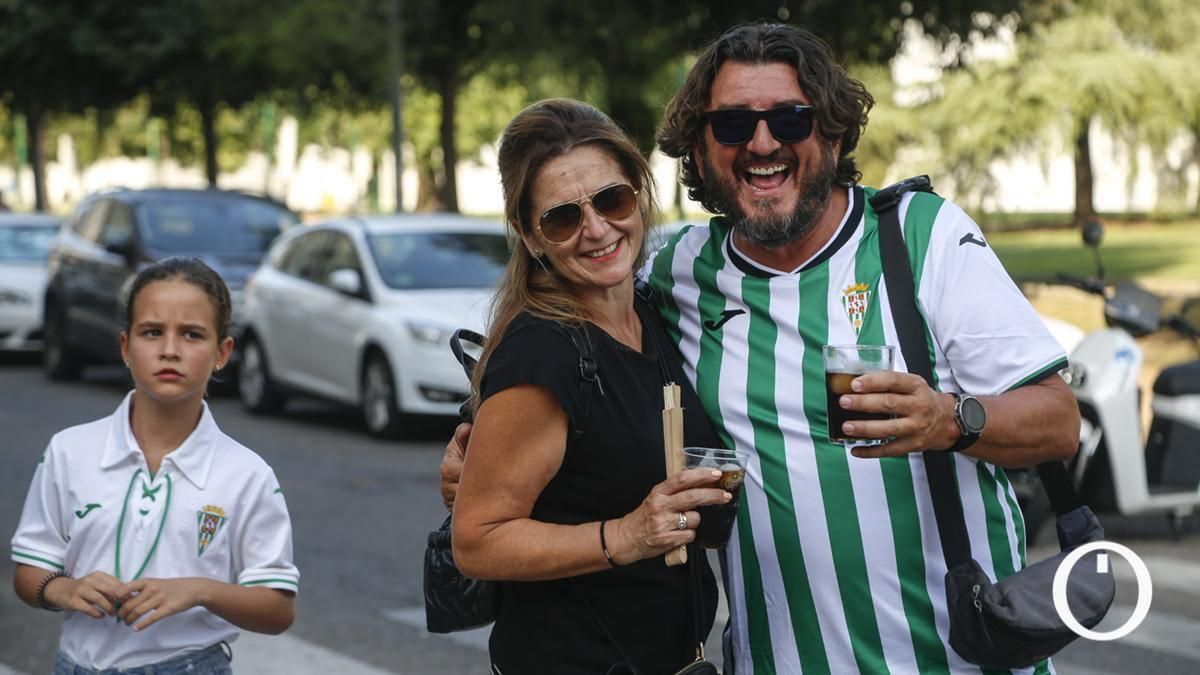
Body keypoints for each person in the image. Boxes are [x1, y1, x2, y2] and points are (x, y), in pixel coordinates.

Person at [444, 22, 1080, 675]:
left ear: (830, 131)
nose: (763, 142)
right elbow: (563, 336)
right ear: (698, 148)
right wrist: (477, 438)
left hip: (956, 660)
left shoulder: (923, 237)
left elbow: (1058, 422)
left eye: (790, 118)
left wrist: (949, 419)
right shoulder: (677, 270)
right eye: (732, 126)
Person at [450, 98, 731, 675]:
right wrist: (625, 536)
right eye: (562, 217)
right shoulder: (542, 352)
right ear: (531, 238)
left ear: (639, 195)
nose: (597, 229)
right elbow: (476, 540)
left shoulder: (653, 314)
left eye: (612, 199)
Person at [11, 258, 298, 674]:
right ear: (126, 347)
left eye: (192, 334)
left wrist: (199, 591)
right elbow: (28, 571)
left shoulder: (248, 475)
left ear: (222, 353)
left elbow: (277, 609)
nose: (169, 349)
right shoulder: (69, 451)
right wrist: (62, 588)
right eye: (152, 332)